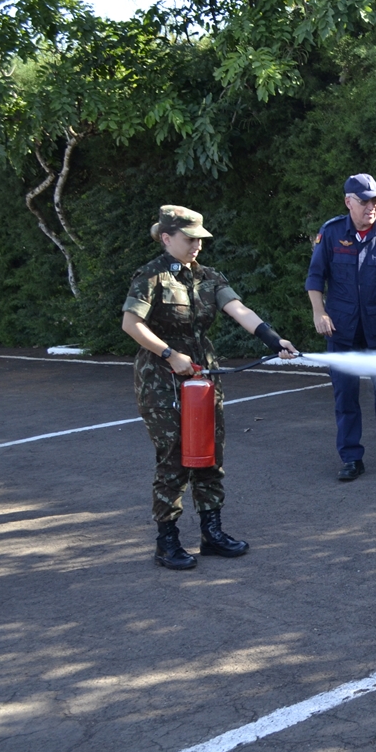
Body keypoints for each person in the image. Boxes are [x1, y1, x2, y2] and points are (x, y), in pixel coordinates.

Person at [121, 205, 299, 571]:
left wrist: (274, 340)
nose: (197, 246)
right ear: (167, 238)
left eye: (201, 239)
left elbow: (239, 309)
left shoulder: (209, 277)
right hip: (162, 379)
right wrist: (170, 354)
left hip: (203, 377)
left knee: (209, 453)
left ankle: (211, 532)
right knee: (173, 457)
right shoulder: (150, 277)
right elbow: (131, 324)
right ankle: (166, 541)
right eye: (190, 239)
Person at [305, 173, 376, 481]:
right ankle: (351, 458)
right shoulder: (332, 232)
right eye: (365, 201)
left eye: (375, 201)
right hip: (341, 328)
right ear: (348, 202)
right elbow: (315, 278)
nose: (371, 207)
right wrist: (318, 312)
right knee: (345, 396)